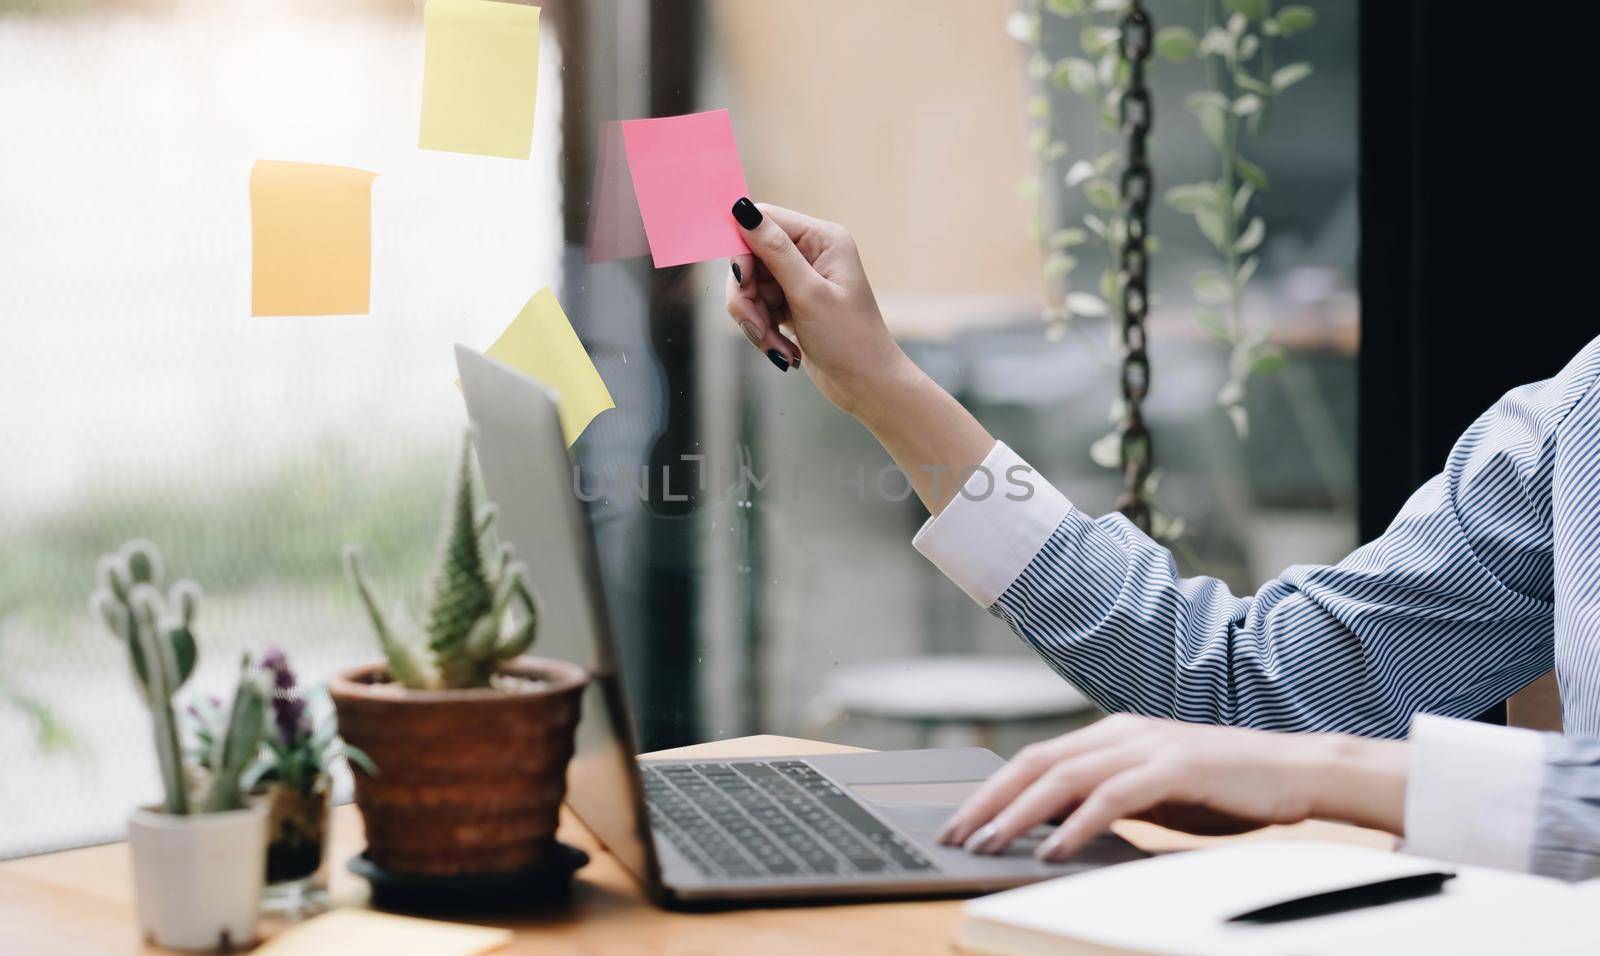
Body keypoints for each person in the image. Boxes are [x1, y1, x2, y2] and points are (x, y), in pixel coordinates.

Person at [724, 196, 1600, 881]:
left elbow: (1287, 745)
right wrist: (880, 383)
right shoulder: (1579, 414)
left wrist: (1333, 773)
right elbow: (1243, 692)